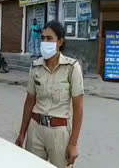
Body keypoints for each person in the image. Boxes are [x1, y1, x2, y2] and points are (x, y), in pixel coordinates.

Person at [15, 21, 84, 168]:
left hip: (59, 132)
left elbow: (78, 108)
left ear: (60, 41)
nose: (45, 42)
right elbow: (29, 101)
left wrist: (73, 144)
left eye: (49, 38)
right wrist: (22, 133)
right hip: (35, 130)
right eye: (43, 38)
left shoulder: (72, 68)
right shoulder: (35, 67)